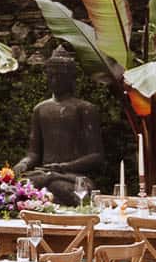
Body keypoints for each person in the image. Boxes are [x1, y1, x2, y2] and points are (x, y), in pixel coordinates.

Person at [12, 46, 105, 205]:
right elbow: (34, 153)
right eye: (51, 76)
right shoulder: (40, 109)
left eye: (60, 76)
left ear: (70, 78)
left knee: (61, 187)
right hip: (45, 174)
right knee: (15, 187)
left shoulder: (85, 109)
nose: (54, 80)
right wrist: (23, 164)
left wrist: (63, 167)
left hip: (71, 177)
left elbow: (96, 156)